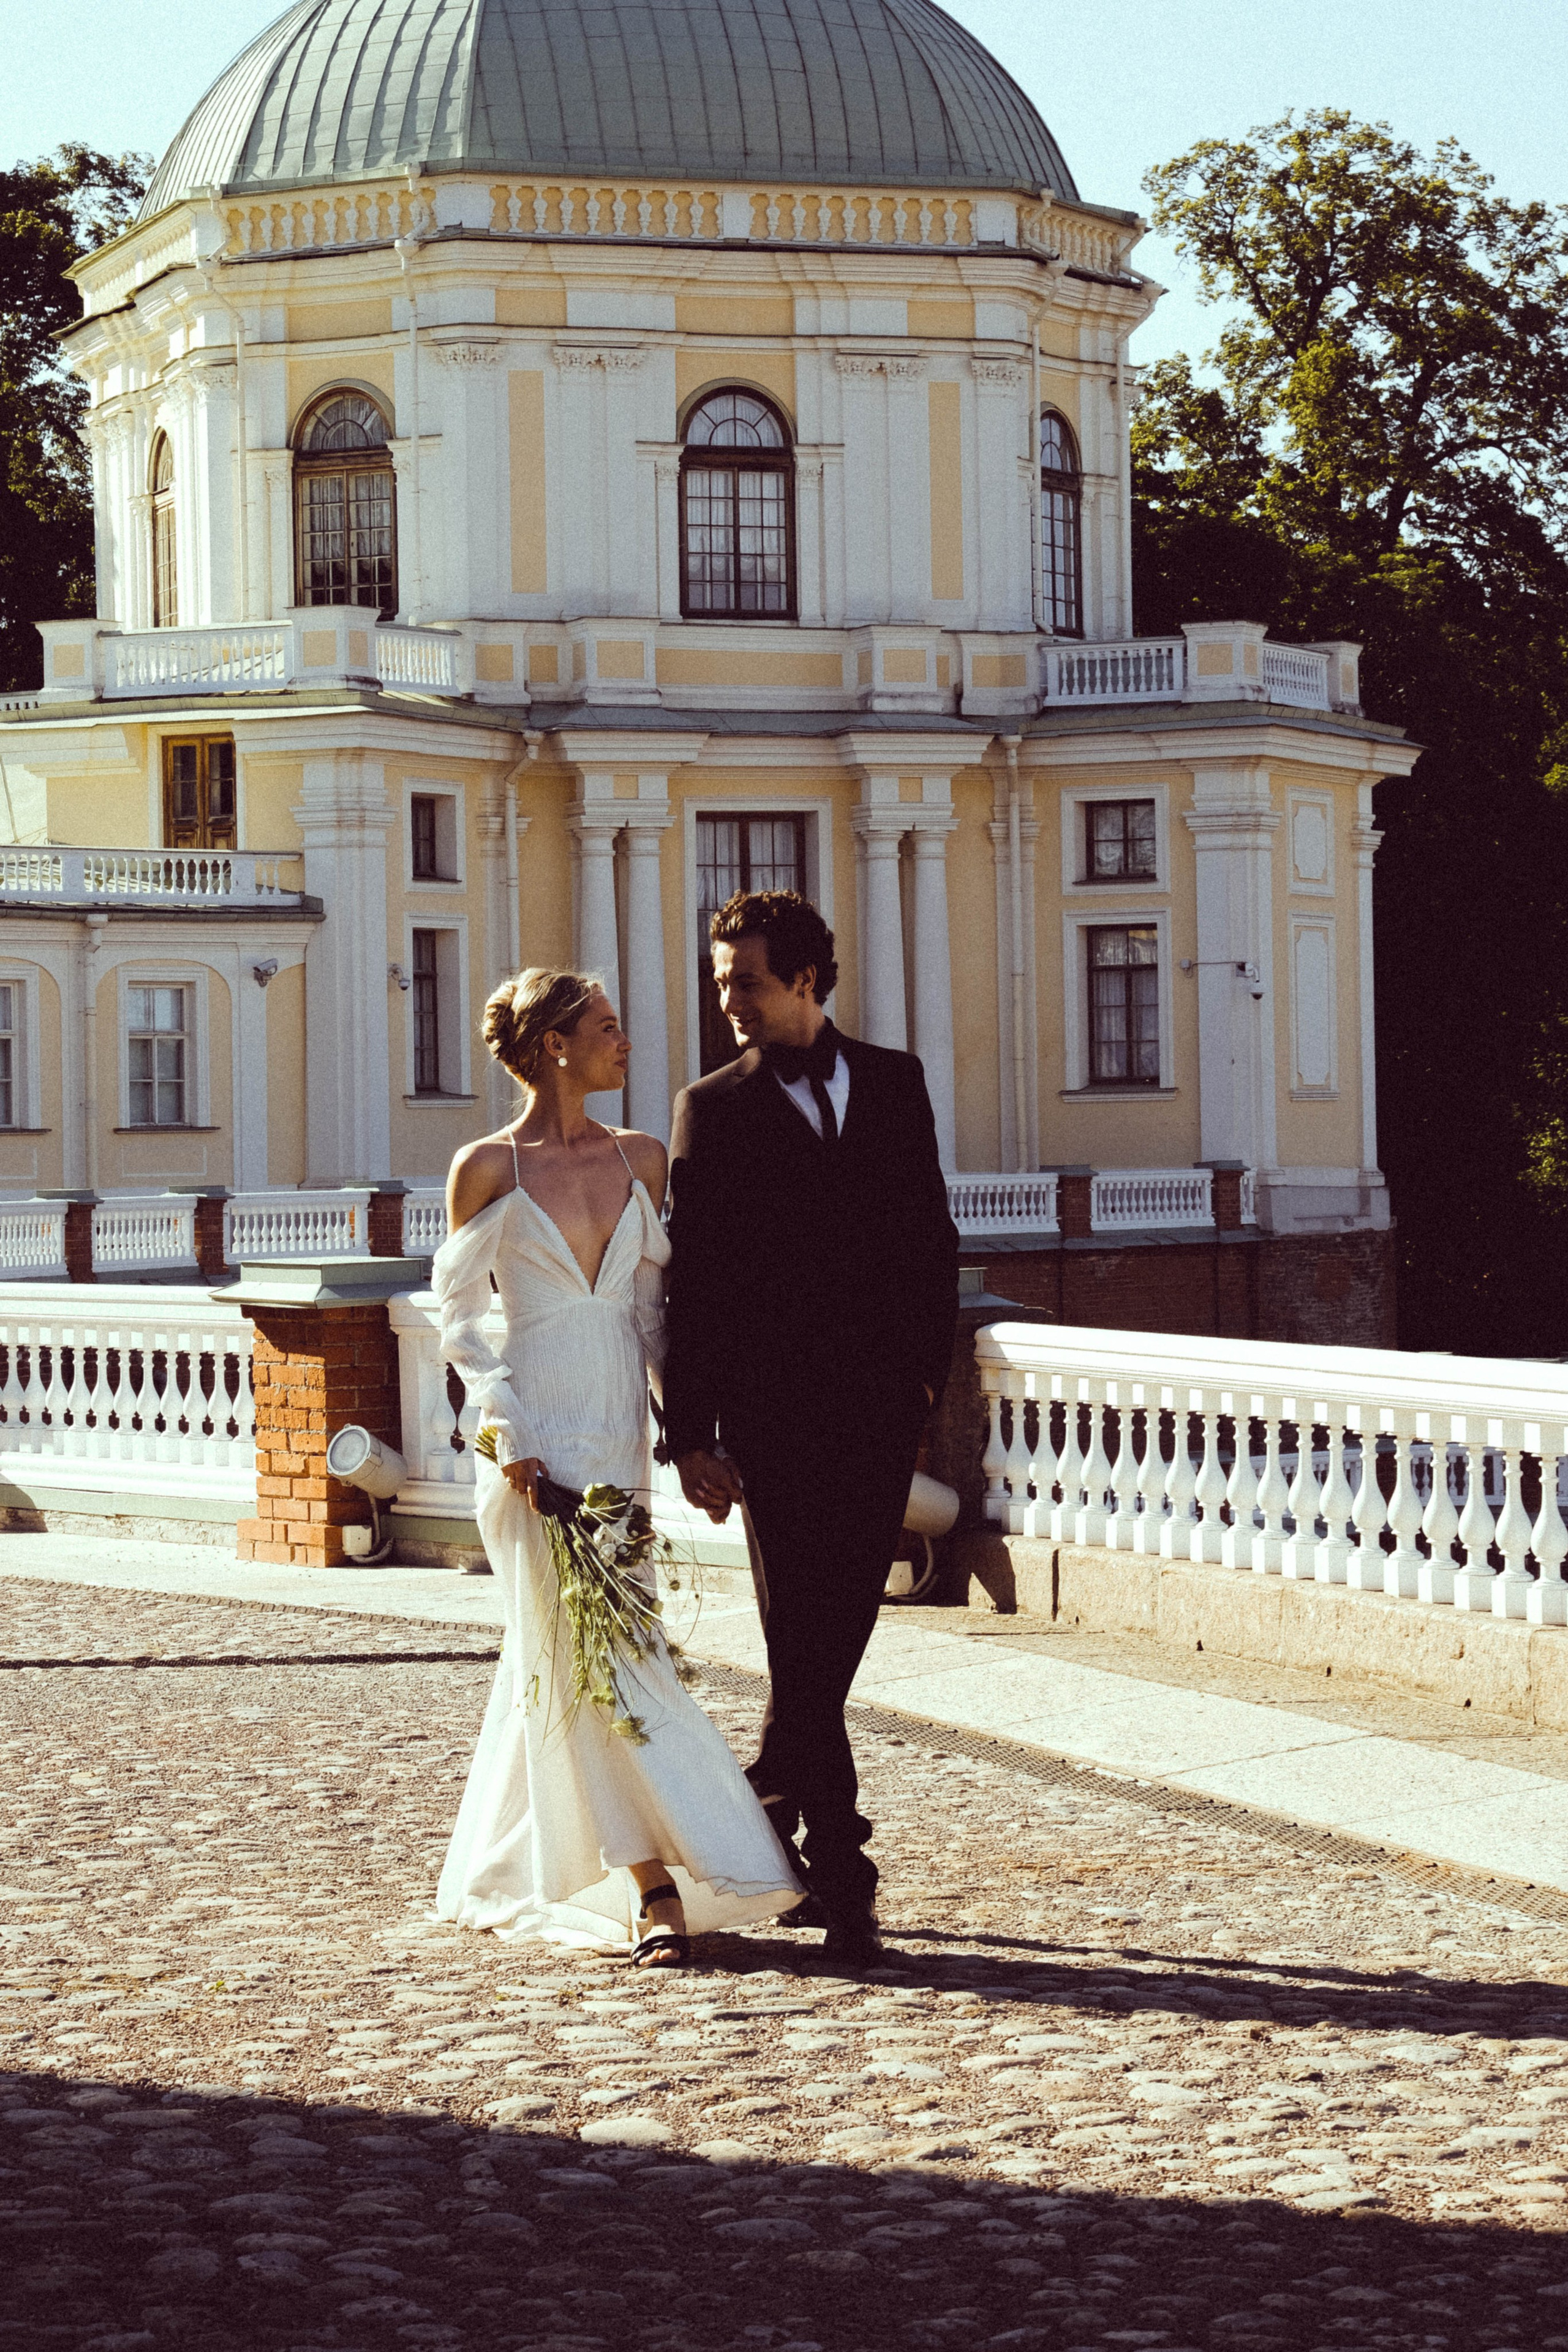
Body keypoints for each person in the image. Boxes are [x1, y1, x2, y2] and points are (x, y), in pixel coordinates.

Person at [431, 965, 800, 1966]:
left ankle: (540, 1855)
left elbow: (653, 1319)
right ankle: (654, 1885)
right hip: (534, 1442)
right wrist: (507, 1435)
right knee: (590, 1653)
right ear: (556, 1045)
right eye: (606, 1026)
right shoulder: (487, 1170)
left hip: (616, 1437)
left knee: (598, 1648)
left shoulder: (643, 1160)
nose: (623, 1042)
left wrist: (688, 1438)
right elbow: (461, 1325)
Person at [663, 892, 960, 1966]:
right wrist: (689, 1431)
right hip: (774, 1422)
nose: (727, 999)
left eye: (744, 979)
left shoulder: (896, 1082)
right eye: (719, 980)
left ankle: (759, 1805)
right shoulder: (714, 1107)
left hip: (883, 1411)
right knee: (803, 1639)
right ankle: (844, 1874)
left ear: (805, 981)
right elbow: (693, 1286)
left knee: (827, 1647)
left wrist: (925, 1384)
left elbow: (931, 1238)